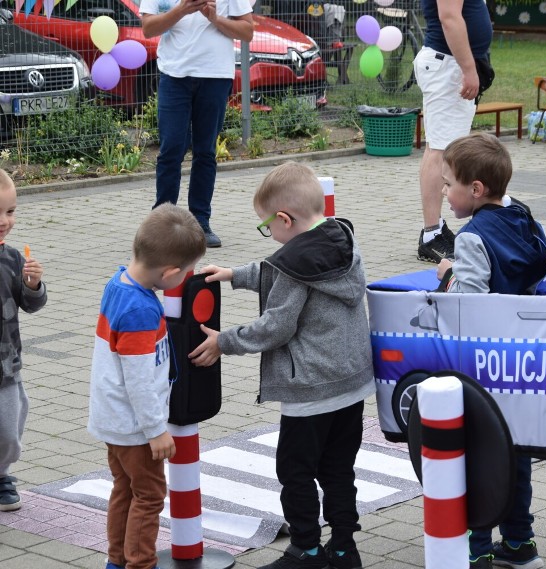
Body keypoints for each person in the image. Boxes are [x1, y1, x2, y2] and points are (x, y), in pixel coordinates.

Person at [188, 162, 375, 569]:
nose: (269, 234)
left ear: (285, 219)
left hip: (309, 391)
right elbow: (286, 269)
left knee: (294, 471)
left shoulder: (294, 262)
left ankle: (306, 549)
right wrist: (236, 274)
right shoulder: (342, 238)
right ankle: (344, 549)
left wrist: (224, 341)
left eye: (267, 227)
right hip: (352, 384)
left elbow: (276, 326)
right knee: (339, 470)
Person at [435, 133, 546, 569]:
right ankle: (520, 542)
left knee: (478, 452)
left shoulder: (471, 239)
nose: (444, 194)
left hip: (484, 366)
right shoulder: (520, 215)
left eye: (449, 185)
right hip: (523, 361)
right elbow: (541, 266)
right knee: (515, 450)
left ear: (476, 190)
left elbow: (468, 305)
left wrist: (448, 273)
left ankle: (476, 548)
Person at [89, 204, 206, 569]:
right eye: (185, 272)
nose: (185, 277)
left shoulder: (119, 281)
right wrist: (156, 431)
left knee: (124, 490)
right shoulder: (140, 311)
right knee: (150, 496)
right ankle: (139, 563)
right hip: (135, 427)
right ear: (170, 272)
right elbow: (138, 381)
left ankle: (116, 561)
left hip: (114, 419)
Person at [140, 0, 254, 249]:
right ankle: (161, 223)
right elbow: (148, 28)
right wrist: (183, 9)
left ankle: (200, 222)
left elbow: (247, 31)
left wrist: (215, 18)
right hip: (174, 77)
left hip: (215, 76)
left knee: (205, 152)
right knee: (171, 150)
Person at [414, 0, 493, 263]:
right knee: (441, 152)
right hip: (447, 65)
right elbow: (449, 17)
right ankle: (431, 235)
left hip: (448, 64)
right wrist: (469, 69)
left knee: (438, 149)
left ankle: (434, 229)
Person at [0, 169, 46, 513]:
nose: (5, 221)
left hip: (6, 365)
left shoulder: (14, 258)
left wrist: (32, 286)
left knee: (9, 431)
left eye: (10, 211)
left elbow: (29, 305)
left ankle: (1, 472)